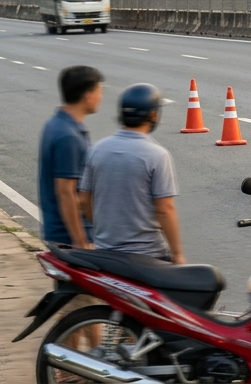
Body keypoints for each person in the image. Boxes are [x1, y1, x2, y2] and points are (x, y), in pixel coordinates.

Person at [79, 84, 184, 263]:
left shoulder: (97, 149)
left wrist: (106, 233)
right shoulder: (157, 155)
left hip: (105, 251)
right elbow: (165, 209)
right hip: (148, 255)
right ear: (153, 115)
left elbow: (83, 200)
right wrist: (177, 254)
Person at [39, 66, 103, 248]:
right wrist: (80, 240)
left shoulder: (55, 124)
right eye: (99, 91)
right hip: (69, 237)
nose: (101, 97)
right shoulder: (69, 136)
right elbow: (66, 192)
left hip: (59, 232)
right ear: (88, 95)